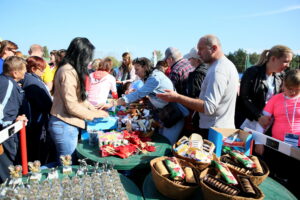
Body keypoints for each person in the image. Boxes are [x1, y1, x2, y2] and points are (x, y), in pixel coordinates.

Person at [157, 35, 239, 139]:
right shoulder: (225, 65)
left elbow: (208, 107)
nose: (198, 53)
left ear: (214, 48)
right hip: (220, 128)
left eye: (201, 49)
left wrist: (176, 97)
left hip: (214, 131)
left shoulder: (218, 70)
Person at [49, 37, 108, 165]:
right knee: (66, 165)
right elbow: (71, 105)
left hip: (67, 123)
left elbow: (79, 99)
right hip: (64, 123)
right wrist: (94, 115)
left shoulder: (69, 69)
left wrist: (94, 109)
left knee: (67, 162)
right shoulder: (68, 71)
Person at [117, 57, 189, 144]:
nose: (135, 73)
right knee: (161, 139)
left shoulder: (154, 78)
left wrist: (115, 102)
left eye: (137, 69)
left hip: (174, 115)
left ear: (145, 67)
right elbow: (146, 93)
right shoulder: (149, 77)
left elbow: (139, 94)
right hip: (165, 114)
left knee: (166, 143)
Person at [256, 69, 300, 197]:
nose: (292, 92)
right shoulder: (276, 99)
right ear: (283, 85)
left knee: (295, 181)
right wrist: (259, 142)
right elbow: (262, 122)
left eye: (296, 89)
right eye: (289, 88)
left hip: (297, 150)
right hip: (277, 147)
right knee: (277, 178)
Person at [235, 45, 293, 129]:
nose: (288, 65)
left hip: (266, 126)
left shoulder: (280, 77)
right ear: (273, 59)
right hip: (247, 123)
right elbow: (244, 98)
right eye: (285, 61)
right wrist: (259, 116)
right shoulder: (252, 72)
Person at [20, 56, 53, 164]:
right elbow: (45, 104)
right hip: (37, 122)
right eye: (42, 69)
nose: (43, 72)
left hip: (36, 121)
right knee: (37, 152)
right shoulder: (33, 83)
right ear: (33, 69)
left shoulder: (30, 79)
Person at [0, 56, 28, 183]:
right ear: (15, 72)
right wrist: (14, 122)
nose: (25, 72)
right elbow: (3, 110)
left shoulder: (5, 81)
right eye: (24, 69)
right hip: (5, 137)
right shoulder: (8, 84)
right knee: (9, 174)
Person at [184, 47, 208, 134]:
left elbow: (194, 98)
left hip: (199, 116)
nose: (189, 61)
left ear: (196, 60)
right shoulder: (209, 69)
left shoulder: (197, 74)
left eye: (190, 58)